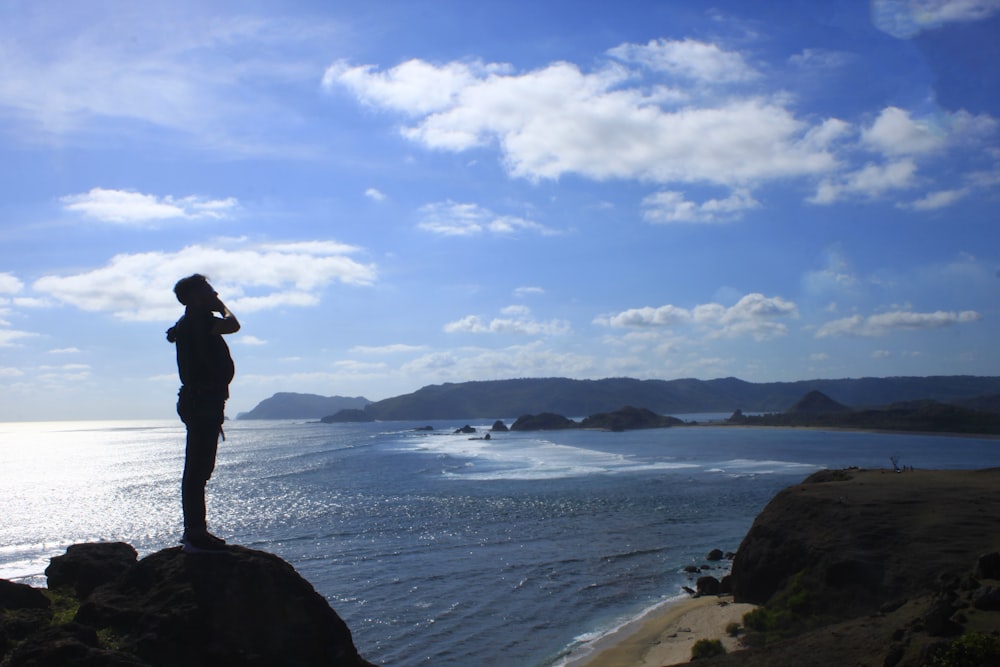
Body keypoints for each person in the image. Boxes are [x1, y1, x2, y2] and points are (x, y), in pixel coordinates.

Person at [166, 274, 240, 553]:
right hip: (202, 403)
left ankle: (196, 530)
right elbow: (233, 325)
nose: (215, 292)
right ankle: (195, 533)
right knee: (198, 470)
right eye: (209, 290)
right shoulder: (199, 320)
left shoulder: (189, 322)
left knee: (198, 470)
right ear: (196, 296)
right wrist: (221, 306)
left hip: (200, 402)